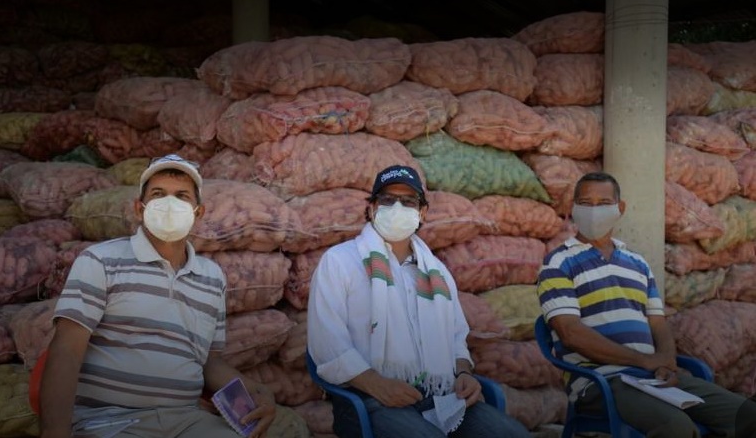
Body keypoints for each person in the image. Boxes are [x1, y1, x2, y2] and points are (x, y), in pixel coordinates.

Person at [39, 154, 276, 438]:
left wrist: (257, 392)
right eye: (158, 194)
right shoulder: (100, 260)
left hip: (187, 421)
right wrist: (55, 432)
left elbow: (208, 362)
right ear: (140, 209)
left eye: (182, 196)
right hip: (111, 422)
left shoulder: (212, 278)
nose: (169, 204)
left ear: (198, 213)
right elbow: (66, 349)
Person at [307, 164, 531, 438]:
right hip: (371, 402)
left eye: (408, 201)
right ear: (372, 208)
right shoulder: (340, 262)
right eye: (387, 200)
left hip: (442, 398)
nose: (397, 208)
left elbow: (456, 338)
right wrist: (376, 385)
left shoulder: (436, 272)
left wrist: (463, 374)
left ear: (422, 212)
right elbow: (327, 343)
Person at [537, 171, 751, 437]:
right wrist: (644, 361)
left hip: (650, 378)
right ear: (573, 208)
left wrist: (665, 362)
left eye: (603, 204)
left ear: (620, 208)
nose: (593, 211)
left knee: (745, 415)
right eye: (585, 203)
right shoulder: (558, 263)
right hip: (600, 382)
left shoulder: (637, 263)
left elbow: (658, 324)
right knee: (676, 427)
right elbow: (570, 334)